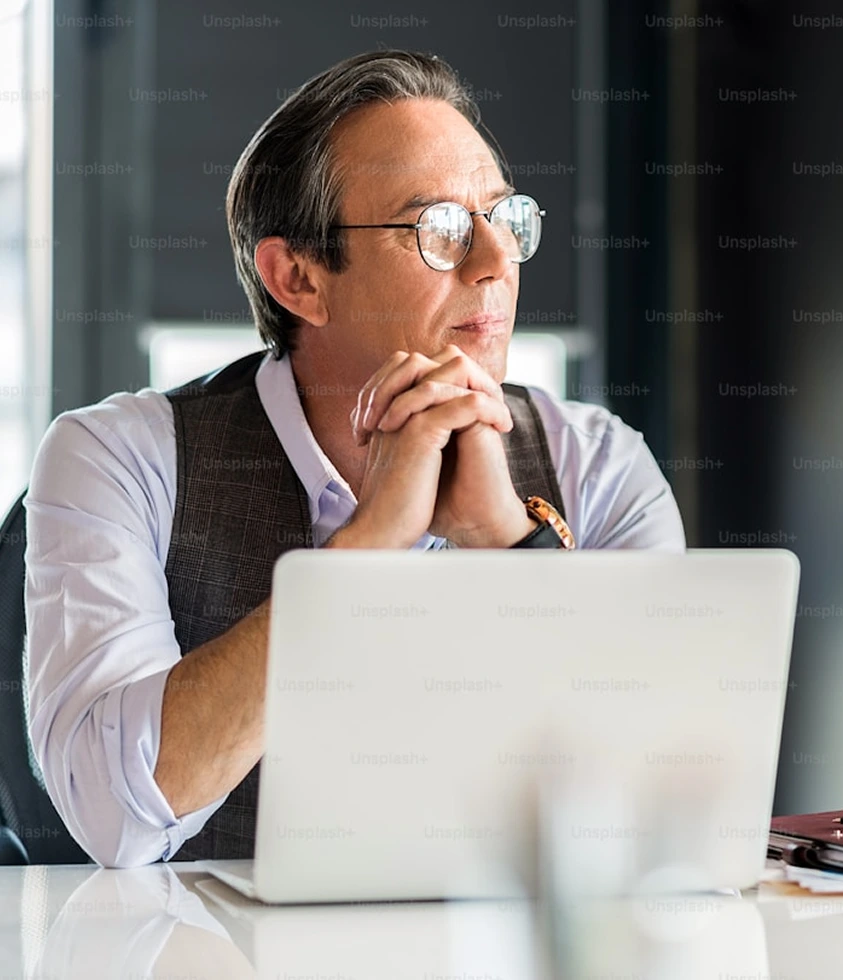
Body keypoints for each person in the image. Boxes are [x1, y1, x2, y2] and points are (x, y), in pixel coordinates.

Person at [24, 50, 684, 868]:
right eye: (437, 228)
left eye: (502, 217)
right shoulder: (118, 457)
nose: (495, 262)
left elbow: (662, 802)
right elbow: (111, 818)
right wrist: (365, 551)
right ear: (298, 279)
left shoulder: (600, 465)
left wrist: (505, 540)